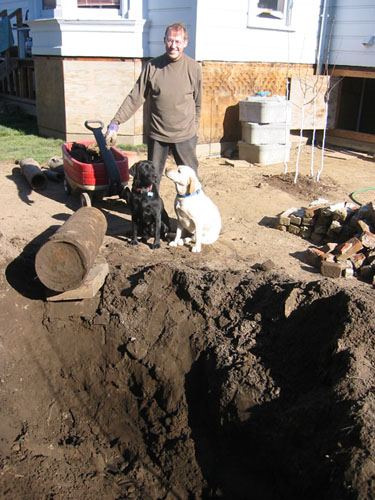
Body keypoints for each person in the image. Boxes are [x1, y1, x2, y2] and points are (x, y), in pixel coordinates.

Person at [105, 22, 202, 189]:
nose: (173, 46)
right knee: (150, 182)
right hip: (158, 135)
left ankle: (197, 214)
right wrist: (116, 123)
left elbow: (198, 103)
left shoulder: (193, 68)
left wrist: (193, 129)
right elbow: (135, 96)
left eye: (178, 42)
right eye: (170, 41)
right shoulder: (152, 66)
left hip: (184, 135)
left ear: (185, 42)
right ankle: (149, 214)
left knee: (191, 181)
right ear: (164, 40)